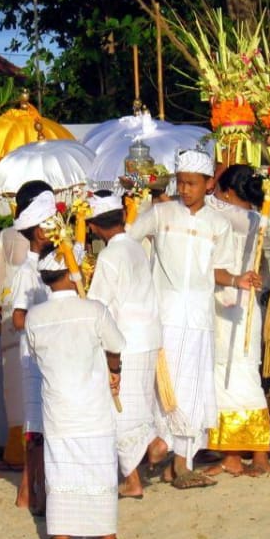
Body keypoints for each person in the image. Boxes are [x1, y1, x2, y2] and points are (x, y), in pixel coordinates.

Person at [129, 148, 260, 489]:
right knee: (163, 386)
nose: (185, 189)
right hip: (164, 315)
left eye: (192, 183)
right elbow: (128, 240)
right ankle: (158, 445)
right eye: (181, 182)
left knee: (192, 386)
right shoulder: (161, 214)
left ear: (208, 184)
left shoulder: (218, 224)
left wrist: (237, 280)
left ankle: (181, 463)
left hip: (199, 318)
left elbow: (218, 270)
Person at [26, 244, 126, 539]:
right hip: (93, 404)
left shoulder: (35, 316)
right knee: (100, 465)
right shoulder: (94, 310)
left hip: (60, 406)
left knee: (62, 467)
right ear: (73, 273)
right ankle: (106, 537)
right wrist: (114, 371)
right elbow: (115, 346)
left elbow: (36, 355)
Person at [85, 190, 168, 498]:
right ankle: (150, 448)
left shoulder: (109, 256)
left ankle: (138, 471)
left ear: (94, 226)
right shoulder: (135, 246)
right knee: (140, 404)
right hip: (148, 336)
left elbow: (98, 304)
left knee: (120, 409)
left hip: (126, 340)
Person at [205, 165, 270, 477]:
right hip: (222, 304)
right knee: (223, 379)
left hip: (240, 305)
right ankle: (231, 455)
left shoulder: (252, 219)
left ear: (229, 193)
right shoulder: (241, 217)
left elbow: (217, 210)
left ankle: (260, 454)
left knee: (244, 378)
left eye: (220, 193)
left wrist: (205, 191)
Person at [8, 182, 56, 512]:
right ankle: (30, 489)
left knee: (47, 424)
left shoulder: (56, 264)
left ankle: (32, 488)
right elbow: (18, 318)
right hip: (34, 355)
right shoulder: (27, 271)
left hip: (52, 353)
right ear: (39, 231)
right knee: (36, 427)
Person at [0, 222, 31, 469]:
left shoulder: (4, 236)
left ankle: (17, 451)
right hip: (44, 311)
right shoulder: (52, 231)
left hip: (13, 313)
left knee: (14, 384)